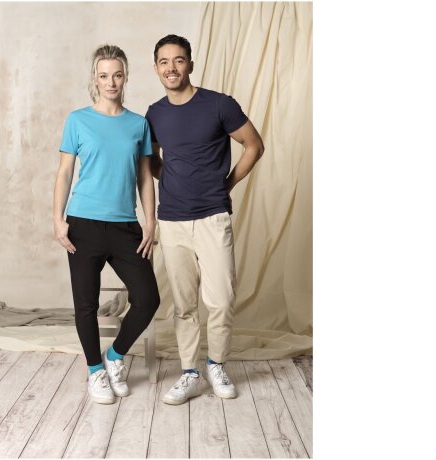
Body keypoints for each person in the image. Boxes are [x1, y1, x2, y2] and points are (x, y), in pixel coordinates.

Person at [145, 35, 264, 405]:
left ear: (190, 65)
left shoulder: (219, 104)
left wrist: (226, 183)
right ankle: (189, 373)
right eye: (164, 62)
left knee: (221, 300)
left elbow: (254, 145)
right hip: (172, 220)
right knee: (183, 305)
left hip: (213, 216)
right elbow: (151, 160)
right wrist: (172, 180)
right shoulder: (154, 114)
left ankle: (216, 364)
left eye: (179, 60)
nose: (171, 68)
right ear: (156, 68)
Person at [53, 45, 160, 405]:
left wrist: (150, 222)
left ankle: (114, 357)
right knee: (85, 303)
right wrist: (58, 220)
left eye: (117, 75)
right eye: (103, 76)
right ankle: (95, 370)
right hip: (83, 223)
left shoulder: (138, 124)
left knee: (148, 298)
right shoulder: (77, 120)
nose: (110, 82)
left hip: (125, 226)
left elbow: (145, 177)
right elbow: (65, 172)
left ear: (125, 77)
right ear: (95, 79)